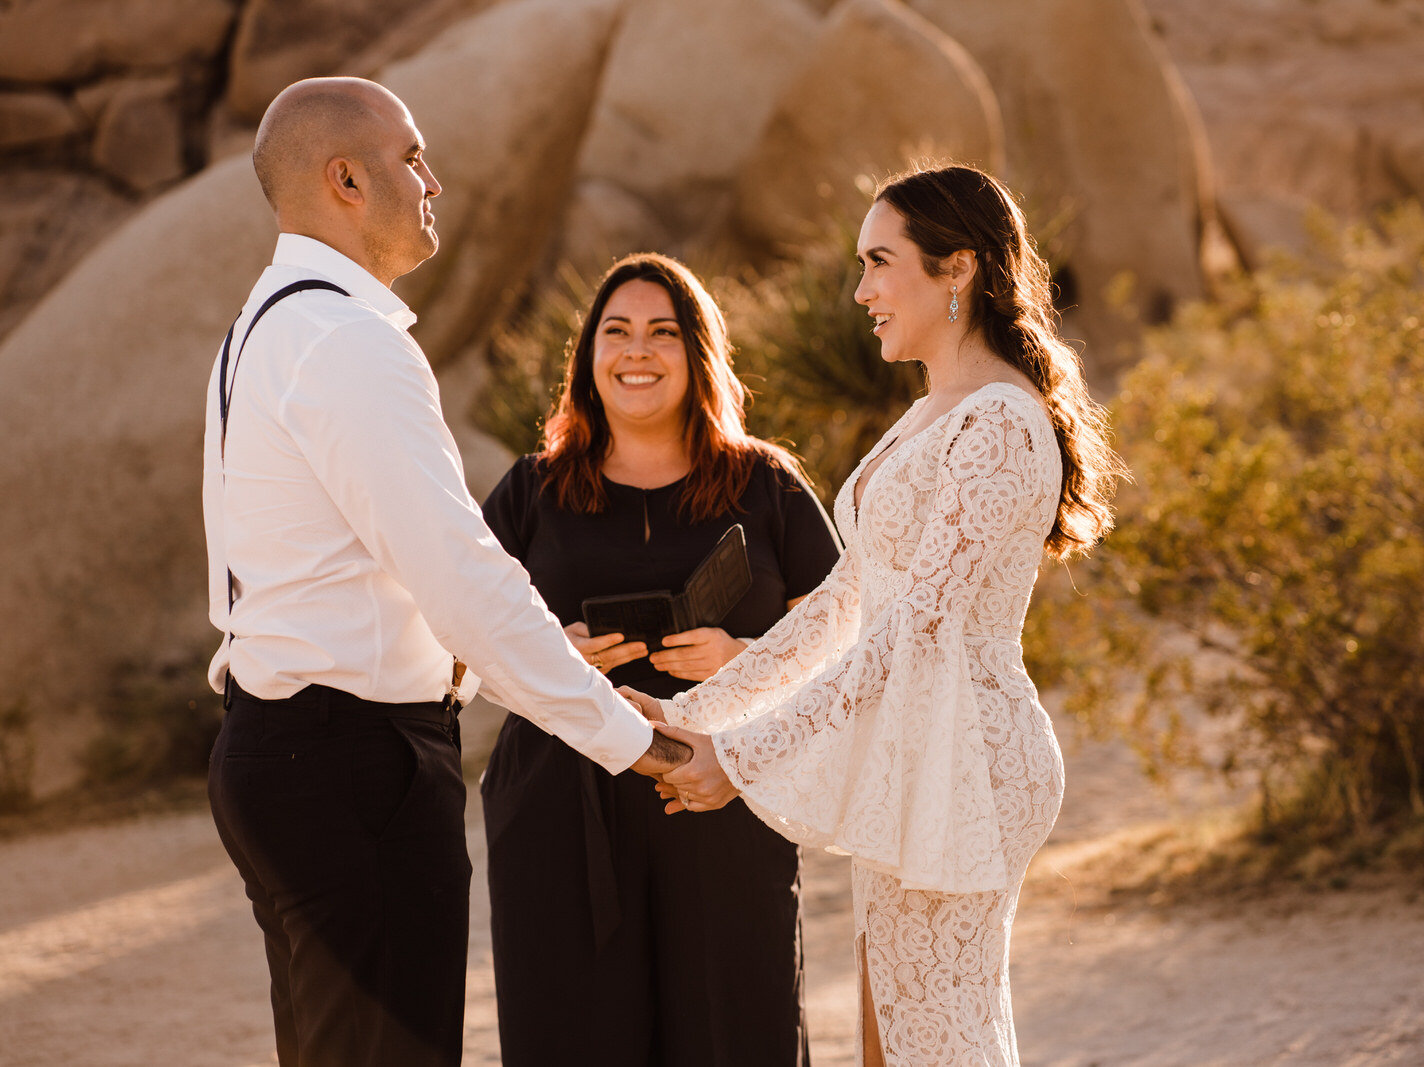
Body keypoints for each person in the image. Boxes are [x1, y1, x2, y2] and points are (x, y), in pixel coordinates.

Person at [201, 78, 689, 1067]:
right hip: (351, 766)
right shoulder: (346, 341)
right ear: (344, 180)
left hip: (283, 748)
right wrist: (630, 737)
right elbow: (458, 571)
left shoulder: (263, 324)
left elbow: (354, 570)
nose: (434, 180)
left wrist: (514, 657)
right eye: (411, 158)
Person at [633, 164, 1125, 1066]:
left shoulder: (1002, 427)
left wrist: (739, 758)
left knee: (932, 1042)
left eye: (880, 262)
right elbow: (841, 607)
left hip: (970, 754)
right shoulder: (930, 415)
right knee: (895, 1039)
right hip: (919, 746)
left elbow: (918, 630)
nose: (860, 291)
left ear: (958, 269)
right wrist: (699, 716)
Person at [478, 252, 841, 1066]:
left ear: (698, 353)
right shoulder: (531, 491)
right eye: (617, 331)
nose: (637, 350)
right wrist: (548, 652)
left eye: (662, 332)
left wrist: (744, 659)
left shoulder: (768, 485)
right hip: (558, 814)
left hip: (721, 803)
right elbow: (457, 634)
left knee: (736, 1035)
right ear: (588, 357)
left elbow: (845, 647)